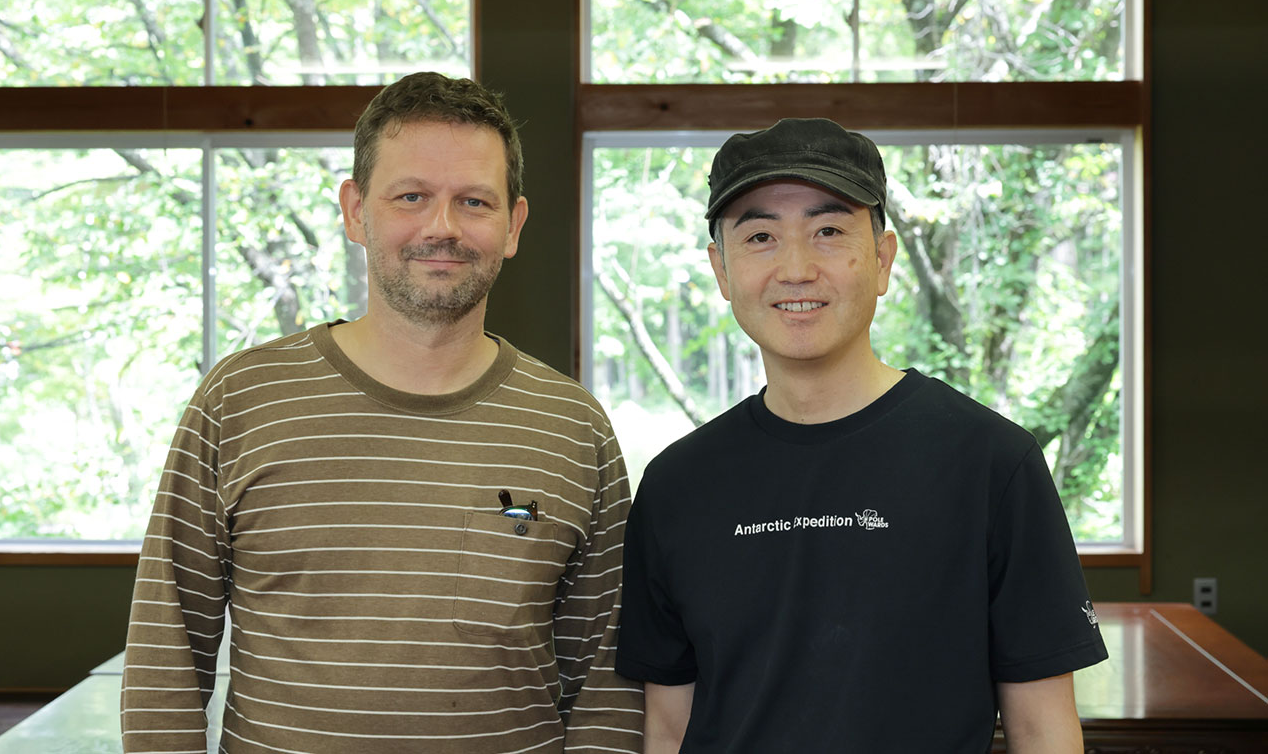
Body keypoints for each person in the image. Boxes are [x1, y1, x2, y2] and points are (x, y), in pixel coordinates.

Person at [122, 72, 643, 753]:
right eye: (411, 197)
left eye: (474, 201)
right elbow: (165, 658)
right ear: (355, 211)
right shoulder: (240, 400)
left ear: (513, 225)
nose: (442, 227)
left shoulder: (572, 427)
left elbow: (605, 686)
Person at [615, 118, 1108, 753]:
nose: (796, 268)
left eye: (828, 231)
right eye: (761, 236)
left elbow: (1043, 730)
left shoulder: (991, 463)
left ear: (882, 260)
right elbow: (668, 728)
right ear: (722, 271)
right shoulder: (677, 486)